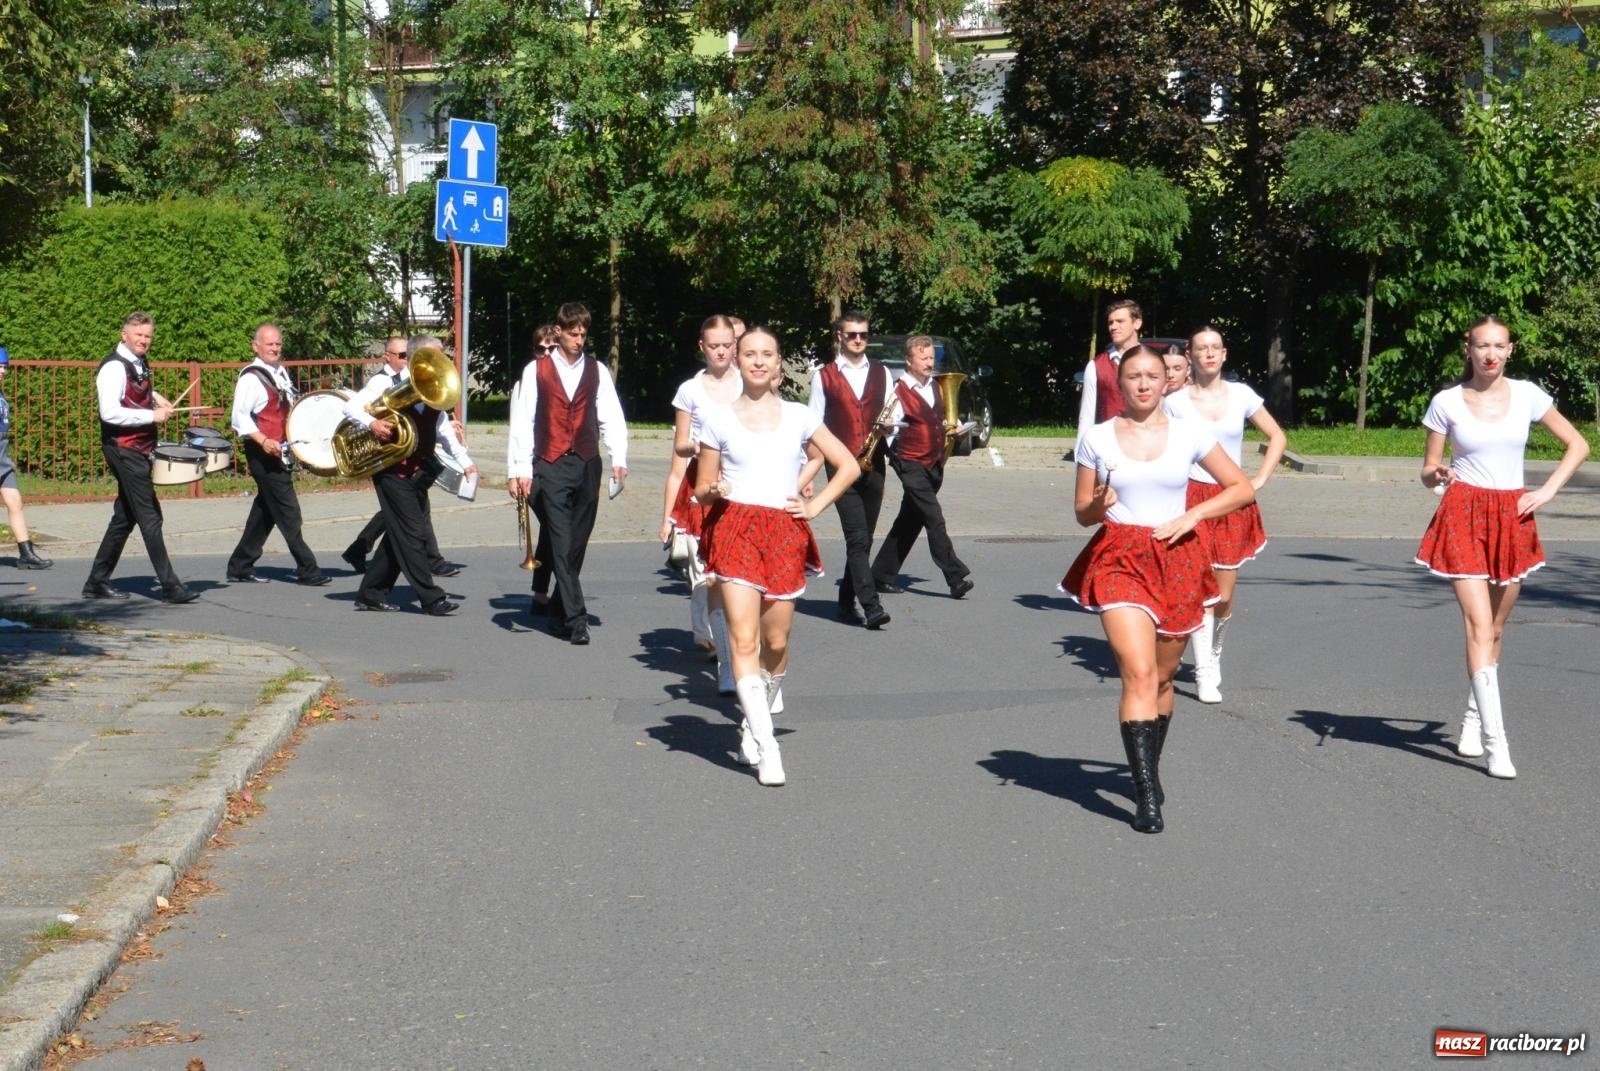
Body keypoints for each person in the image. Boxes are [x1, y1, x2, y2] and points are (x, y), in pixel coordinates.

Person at [1062, 345, 1253, 833]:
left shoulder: (1190, 434)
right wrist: (1098, 505)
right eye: (1133, 377)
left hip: (1178, 555)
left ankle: (1149, 764)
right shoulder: (1098, 438)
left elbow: (1240, 488)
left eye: (1152, 375)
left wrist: (1193, 514)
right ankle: (1145, 793)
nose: (1144, 384)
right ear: (1119, 384)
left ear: (1167, 381)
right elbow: (1082, 512)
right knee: (1140, 673)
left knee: (1165, 678)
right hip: (1120, 557)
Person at [1415, 316, 1588, 779]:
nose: (1490, 354)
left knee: (1495, 630)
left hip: (1513, 515)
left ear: (1510, 350)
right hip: (1463, 514)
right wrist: (1437, 475)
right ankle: (1497, 744)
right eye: (1481, 346)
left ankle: (1473, 719)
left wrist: (1547, 490)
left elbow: (1577, 444)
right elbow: (1428, 467)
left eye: (1499, 346)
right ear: (1467, 349)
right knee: (1477, 623)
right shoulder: (1446, 402)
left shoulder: (1529, 395)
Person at [696, 326, 861, 786]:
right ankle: (768, 746)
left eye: (766, 354)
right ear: (737, 360)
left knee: (776, 644)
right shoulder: (718, 419)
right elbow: (701, 493)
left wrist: (813, 506)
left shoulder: (799, 416)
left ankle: (755, 718)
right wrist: (713, 489)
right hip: (734, 530)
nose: (758, 361)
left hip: (784, 531)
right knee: (742, 640)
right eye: (749, 353)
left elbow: (847, 464)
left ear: (778, 361)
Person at [1162, 326, 1285, 703]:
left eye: (1215, 347)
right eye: (1202, 348)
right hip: (1190, 498)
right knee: (1199, 589)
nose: (1209, 354)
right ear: (1191, 356)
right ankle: (1204, 672)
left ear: (1224, 354)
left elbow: (1276, 436)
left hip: (1231, 499)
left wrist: (1258, 479)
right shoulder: (1176, 401)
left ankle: (1214, 652)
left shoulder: (1242, 395)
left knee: (1223, 595)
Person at [506, 302, 629, 645]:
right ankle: (577, 619)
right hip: (550, 464)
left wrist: (619, 457)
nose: (579, 340)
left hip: (588, 463)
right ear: (558, 332)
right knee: (560, 539)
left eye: (583, 334)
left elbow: (611, 416)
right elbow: (523, 422)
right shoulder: (537, 370)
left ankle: (559, 614)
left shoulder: (597, 370)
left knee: (576, 542)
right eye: (573, 333)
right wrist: (519, 468)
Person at [342, 334, 469, 616]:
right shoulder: (383, 383)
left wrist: (466, 462)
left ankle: (370, 594)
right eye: (432, 358)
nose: (439, 364)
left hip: (417, 470)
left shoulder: (433, 392)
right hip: (390, 470)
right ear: (414, 360)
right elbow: (349, 407)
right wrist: (373, 422)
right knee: (413, 533)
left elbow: (443, 430)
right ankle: (431, 598)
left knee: (398, 536)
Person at [83, 312, 197, 603]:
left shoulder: (137, 363)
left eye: (148, 335)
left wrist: (155, 396)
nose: (144, 340)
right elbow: (109, 411)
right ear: (124, 335)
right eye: (138, 335)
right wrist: (151, 415)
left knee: (125, 516)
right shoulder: (113, 368)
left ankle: (96, 581)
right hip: (123, 447)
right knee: (150, 516)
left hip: (137, 448)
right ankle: (171, 587)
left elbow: (133, 391)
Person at [660, 315, 743, 689]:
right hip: (704, 488)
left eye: (727, 344)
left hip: (743, 487)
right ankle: (726, 664)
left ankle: (743, 655)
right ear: (702, 347)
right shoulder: (690, 390)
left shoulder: (749, 382)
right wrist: (694, 445)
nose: (721, 351)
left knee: (739, 578)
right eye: (714, 345)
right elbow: (679, 446)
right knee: (712, 576)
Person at [869, 335, 974, 598]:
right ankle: (955, 576)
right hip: (910, 461)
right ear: (909, 360)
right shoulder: (898, 390)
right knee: (933, 518)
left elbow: (941, 419)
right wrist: (897, 454)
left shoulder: (936, 387)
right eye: (924, 358)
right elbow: (889, 426)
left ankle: (880, 575)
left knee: (910, 520)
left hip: (934, 462)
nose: (929, 363)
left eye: (931, 358)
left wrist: (957, 430)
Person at [224, 324, 329, 586]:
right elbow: (239, 417)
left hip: (280, 450)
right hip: (262, 452)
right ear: (255, 346)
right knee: (288, 510)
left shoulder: (279, 372)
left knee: (266, 510)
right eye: (269, 344)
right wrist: (263, 440)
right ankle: (308, 568)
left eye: (278, 344)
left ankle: (240, 564)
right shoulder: (251, 377)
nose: (275, 348)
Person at [807, 308, 890, 629]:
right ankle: (870, 607)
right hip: (839, 467)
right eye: (852, 335)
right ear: (840, 336)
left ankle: (844, 602)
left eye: (864, 335)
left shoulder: (883, 373)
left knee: (865, 540)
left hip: (875, 463)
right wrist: (809, 474)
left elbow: (892, 417)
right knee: (856, 539)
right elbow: (812, 426)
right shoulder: (824, 375)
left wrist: (890, 429)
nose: (858, 340)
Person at [513, 326, 557, 611]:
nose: (547, 354)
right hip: (535, 469)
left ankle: (541, 594)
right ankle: (550, 595)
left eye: (552, 348)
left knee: (553, 531)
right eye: (541, 349)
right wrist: (515, 471)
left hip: (561, 466)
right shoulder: (527, 380)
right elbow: (517, 430)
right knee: (556, 529)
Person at [0, 347, 52, 569]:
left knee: (15, 502)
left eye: (4, 367)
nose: (3, 371)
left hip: (2, 455)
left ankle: (26, 554)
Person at [1076, 299, 1144, 429]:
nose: (1113, 327)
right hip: (1109, 443)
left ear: (1137, 323)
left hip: (1147, 443)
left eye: (1120, 321)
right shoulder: (1096, 366)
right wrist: (1081, 449)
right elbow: (1087, 416)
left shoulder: (1153, 362)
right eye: (1110, 322)